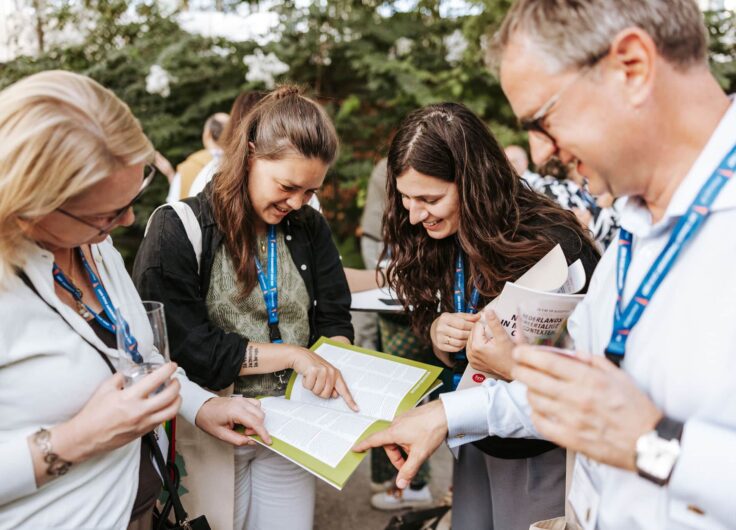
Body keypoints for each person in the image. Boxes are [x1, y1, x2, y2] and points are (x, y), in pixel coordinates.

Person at [495, 0, 736, 527]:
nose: (542, 154)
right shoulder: (630, 225)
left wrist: (653, 445)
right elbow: (587, 401)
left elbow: (626, 432)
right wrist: (443, 417)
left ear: (632, 67)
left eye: (543, 120)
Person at [0, 71, 269, 530]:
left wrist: (200, 406)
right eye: (105, 214)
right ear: (30, 203)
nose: (127, 221)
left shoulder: (94, 246)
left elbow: (137, 358)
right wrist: (78, 439)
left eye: (134, 194)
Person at [357, 102, 599, 530]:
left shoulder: (552, 243)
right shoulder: (434, 235)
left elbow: (592, 368)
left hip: (535, 448)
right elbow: (429, 311)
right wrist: (437, 331)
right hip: (470, 434)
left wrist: (512, 360)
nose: (414, 215)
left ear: (472, 184)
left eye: (430, 199)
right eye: (406, 198)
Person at [133, 85, 357, 530]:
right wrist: (293, 355)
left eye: (310, 191)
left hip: (294, 430)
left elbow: (334, 315)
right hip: (209, 429)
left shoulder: (309, 227)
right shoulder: (177, 227)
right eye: (287, 186)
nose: (297, 203)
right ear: (250, 154)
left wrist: (335, 360)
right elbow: (187, 348)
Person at [165, 112, 230, 202]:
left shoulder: (188, 167)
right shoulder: (239, 165)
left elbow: (174, 203)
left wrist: (170, 174)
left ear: (207, 134)